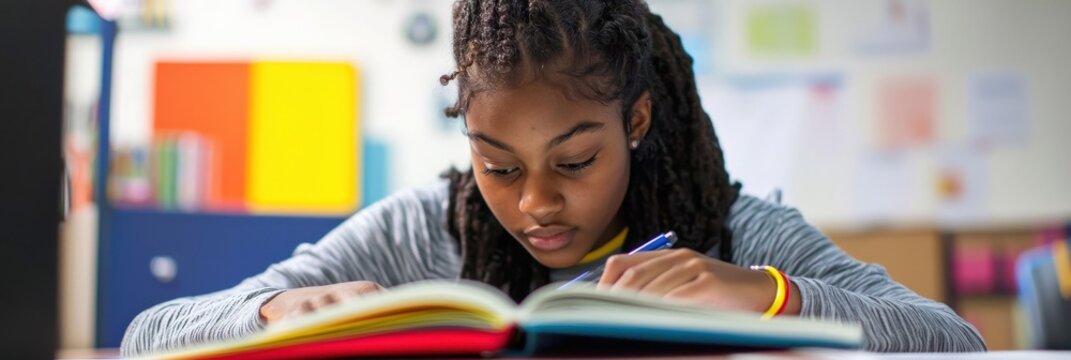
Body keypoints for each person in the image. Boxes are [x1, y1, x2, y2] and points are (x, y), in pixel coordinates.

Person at [121, 0, 986, 355]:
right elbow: (150, 335)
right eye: (497, 164)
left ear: (635, 122)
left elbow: (954, 342)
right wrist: (269, 311)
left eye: (574, 161)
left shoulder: (734, 234)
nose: (534, 202)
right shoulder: (419, 229)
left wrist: (770, 296)